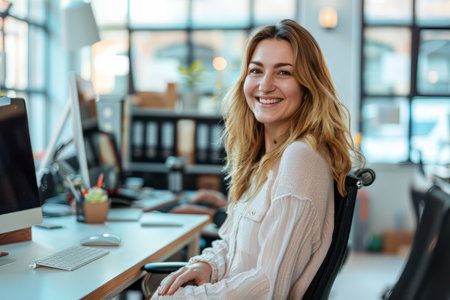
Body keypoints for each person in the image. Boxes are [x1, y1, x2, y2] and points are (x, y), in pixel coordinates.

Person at [153, 19, 364, 299]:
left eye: (284, 73)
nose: (265, 85)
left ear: (308, 85)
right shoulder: (267, 158)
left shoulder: (301, 157)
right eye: (256, 70)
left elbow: (269, 285)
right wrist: (207, 266)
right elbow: (233, 244)